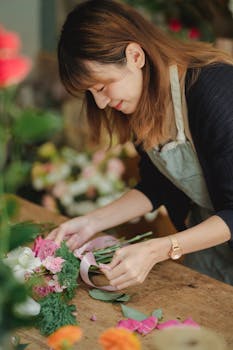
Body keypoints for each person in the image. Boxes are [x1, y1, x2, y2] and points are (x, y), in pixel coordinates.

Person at [48, 0, 233, 288]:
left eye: (101, 86)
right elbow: (159, 185)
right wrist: (92, 222)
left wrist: (159, 249)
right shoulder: (141, 103)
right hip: (210, 248)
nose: (100, 102)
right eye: (91, 93)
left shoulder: (214, 91)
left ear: (135, 56)